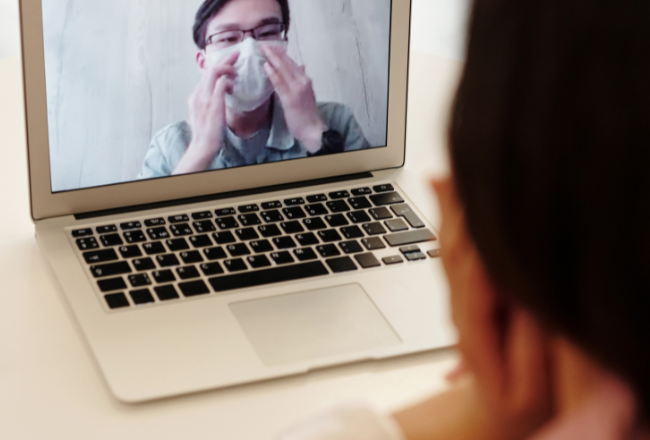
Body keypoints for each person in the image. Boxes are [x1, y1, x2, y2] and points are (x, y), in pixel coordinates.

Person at [276, 0, 650, 438]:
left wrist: (485, 412)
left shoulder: (334, 116)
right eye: (227, 37)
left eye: (266, 33)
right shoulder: (178, 142)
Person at [137, 0, 370, 180]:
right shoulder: (169, 147)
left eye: (267, 33)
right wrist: (200, 150)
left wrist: (313, 133)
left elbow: (368, 216)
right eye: (228, 38)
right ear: (203, 63)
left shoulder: (337, 123)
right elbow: (145, 236)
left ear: (285, 45)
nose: (249, 49)